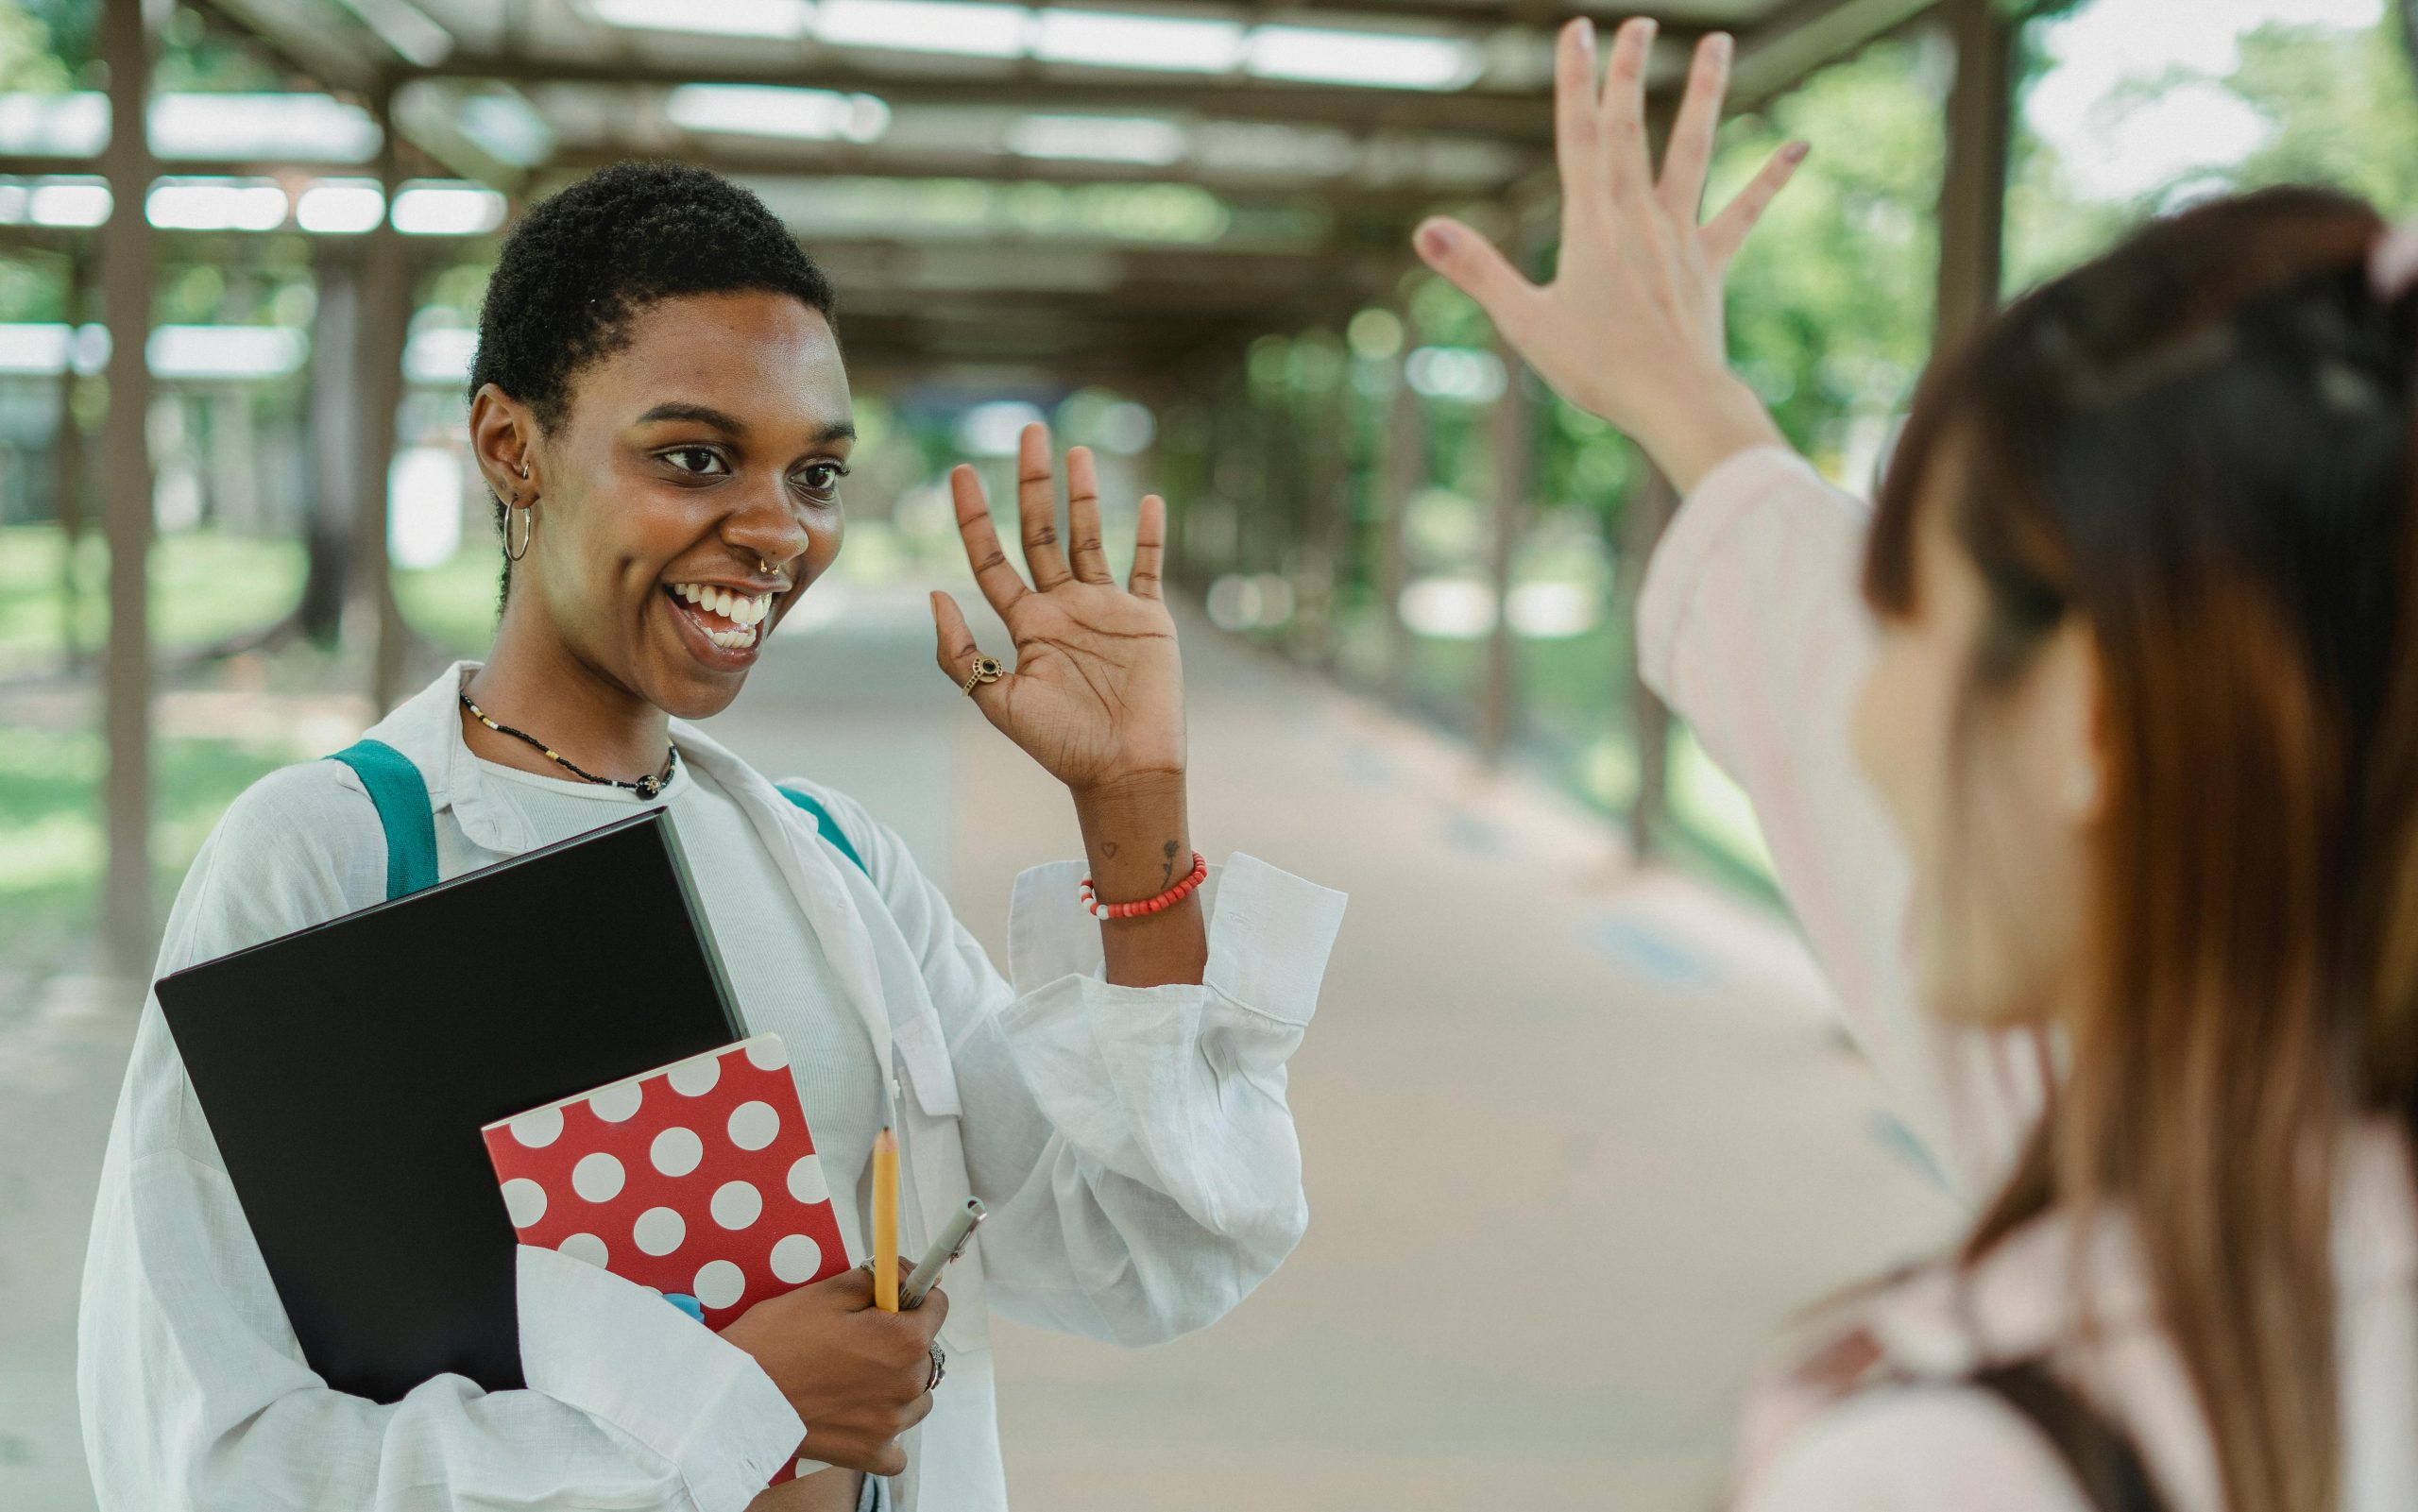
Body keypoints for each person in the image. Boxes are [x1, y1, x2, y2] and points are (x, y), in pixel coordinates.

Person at [78, 161, 1346, 1512]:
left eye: (816, 473)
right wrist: (721, 1416)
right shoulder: (330, 859)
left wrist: (1132, 807)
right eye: (694, 458)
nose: (775, 532)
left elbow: (1147, 1241)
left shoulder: (830, 867)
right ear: (512, 446)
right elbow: (203, 1454)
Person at [1419, 16, 2418, 1511]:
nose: (1867, 715)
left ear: (2089, 721)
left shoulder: (1969, 1461)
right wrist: (1695, 409)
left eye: (1903, 620)